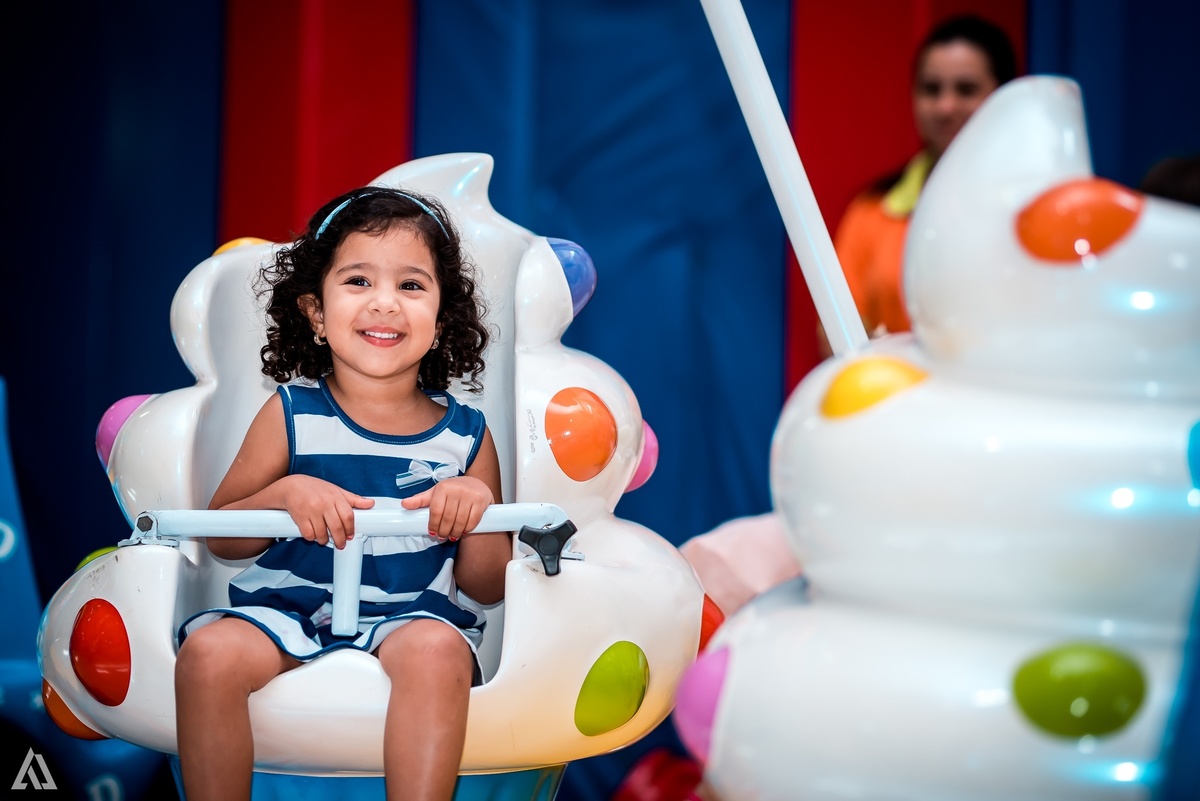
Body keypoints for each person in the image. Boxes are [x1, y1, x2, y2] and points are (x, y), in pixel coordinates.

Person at [173, 187, 509, 801]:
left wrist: (478, 512)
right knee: (210, 654)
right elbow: (222, 536)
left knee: (439, 650)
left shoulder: (466, 436)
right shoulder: (290, 415)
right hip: (287, 611)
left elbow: (488, 587)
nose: (385, 303)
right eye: (358, 281)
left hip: (410, 618)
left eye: (411, 286)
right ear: (316, 313)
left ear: (441, 320)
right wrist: (283, 495)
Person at [824, 15, 1017, 354]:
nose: (945, 106)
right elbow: (834, 334)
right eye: (931, 89)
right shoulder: (871, 210)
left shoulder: (1034, 207)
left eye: (966, 89)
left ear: (1004, 96)